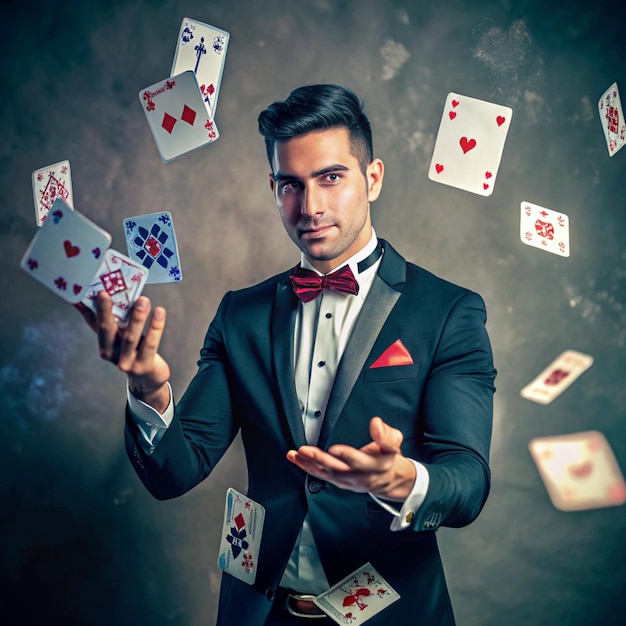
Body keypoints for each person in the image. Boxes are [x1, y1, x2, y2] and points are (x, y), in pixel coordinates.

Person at [78, 84, 496, 625]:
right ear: (273, 189)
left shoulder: (449, 311)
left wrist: (404, 481)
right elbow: (172, 474)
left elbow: (467, 480)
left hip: (392, 613)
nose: (311, 206)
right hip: (258, 613)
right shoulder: (240, 315)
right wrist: (149, 389)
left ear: (372, 179)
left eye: (331, 177)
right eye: (291, 185)